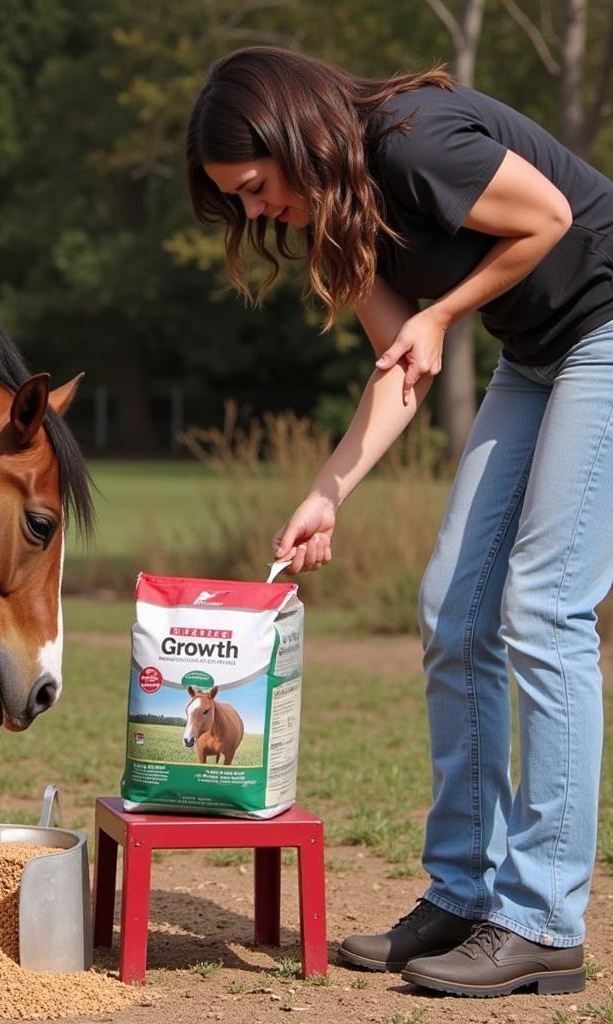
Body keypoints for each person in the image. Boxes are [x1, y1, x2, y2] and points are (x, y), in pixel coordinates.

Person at [186, 46, 613, 999]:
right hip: (540, 354)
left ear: (295, 135)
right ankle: (466, 894)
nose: (255, 213)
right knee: (451, 611)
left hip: (608, 328)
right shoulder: (341, 221)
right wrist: (326, 494)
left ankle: (542, 920)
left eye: (255, 187)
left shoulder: (414, 143)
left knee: (543, 609)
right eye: (237, 202)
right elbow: (402, 373)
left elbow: (546, 218)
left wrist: (446, 311)